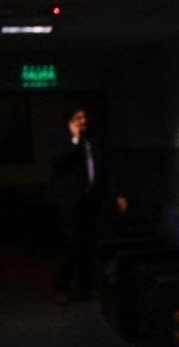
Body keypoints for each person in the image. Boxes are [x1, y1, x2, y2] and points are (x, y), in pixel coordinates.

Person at [46, 104, 127, 303]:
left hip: (90, 199)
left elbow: (107, 167)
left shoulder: (96, 138)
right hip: (67, 199)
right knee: (71, 243)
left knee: (89, 244)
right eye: (78, 118)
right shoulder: (59, 136)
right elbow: (58, 162)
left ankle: (87, 287)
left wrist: (118, 194)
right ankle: (61, 286)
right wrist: (75, 141)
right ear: (70, 120)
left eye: (85, 117)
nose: (83, 122)